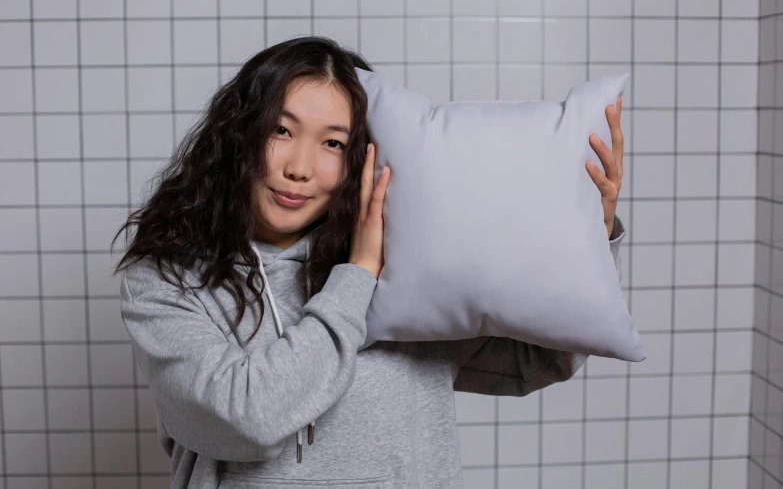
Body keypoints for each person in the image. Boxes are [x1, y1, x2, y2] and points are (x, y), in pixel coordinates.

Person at [112, 36, 628, 489]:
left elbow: (530, 363)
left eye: (332, 143)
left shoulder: (411, 269)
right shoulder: (167, 279)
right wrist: (355, 278)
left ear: (362, 157)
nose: (299, 168)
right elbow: (247, 419)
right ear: (237, 136)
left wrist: (588, 236)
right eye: (281, 131)